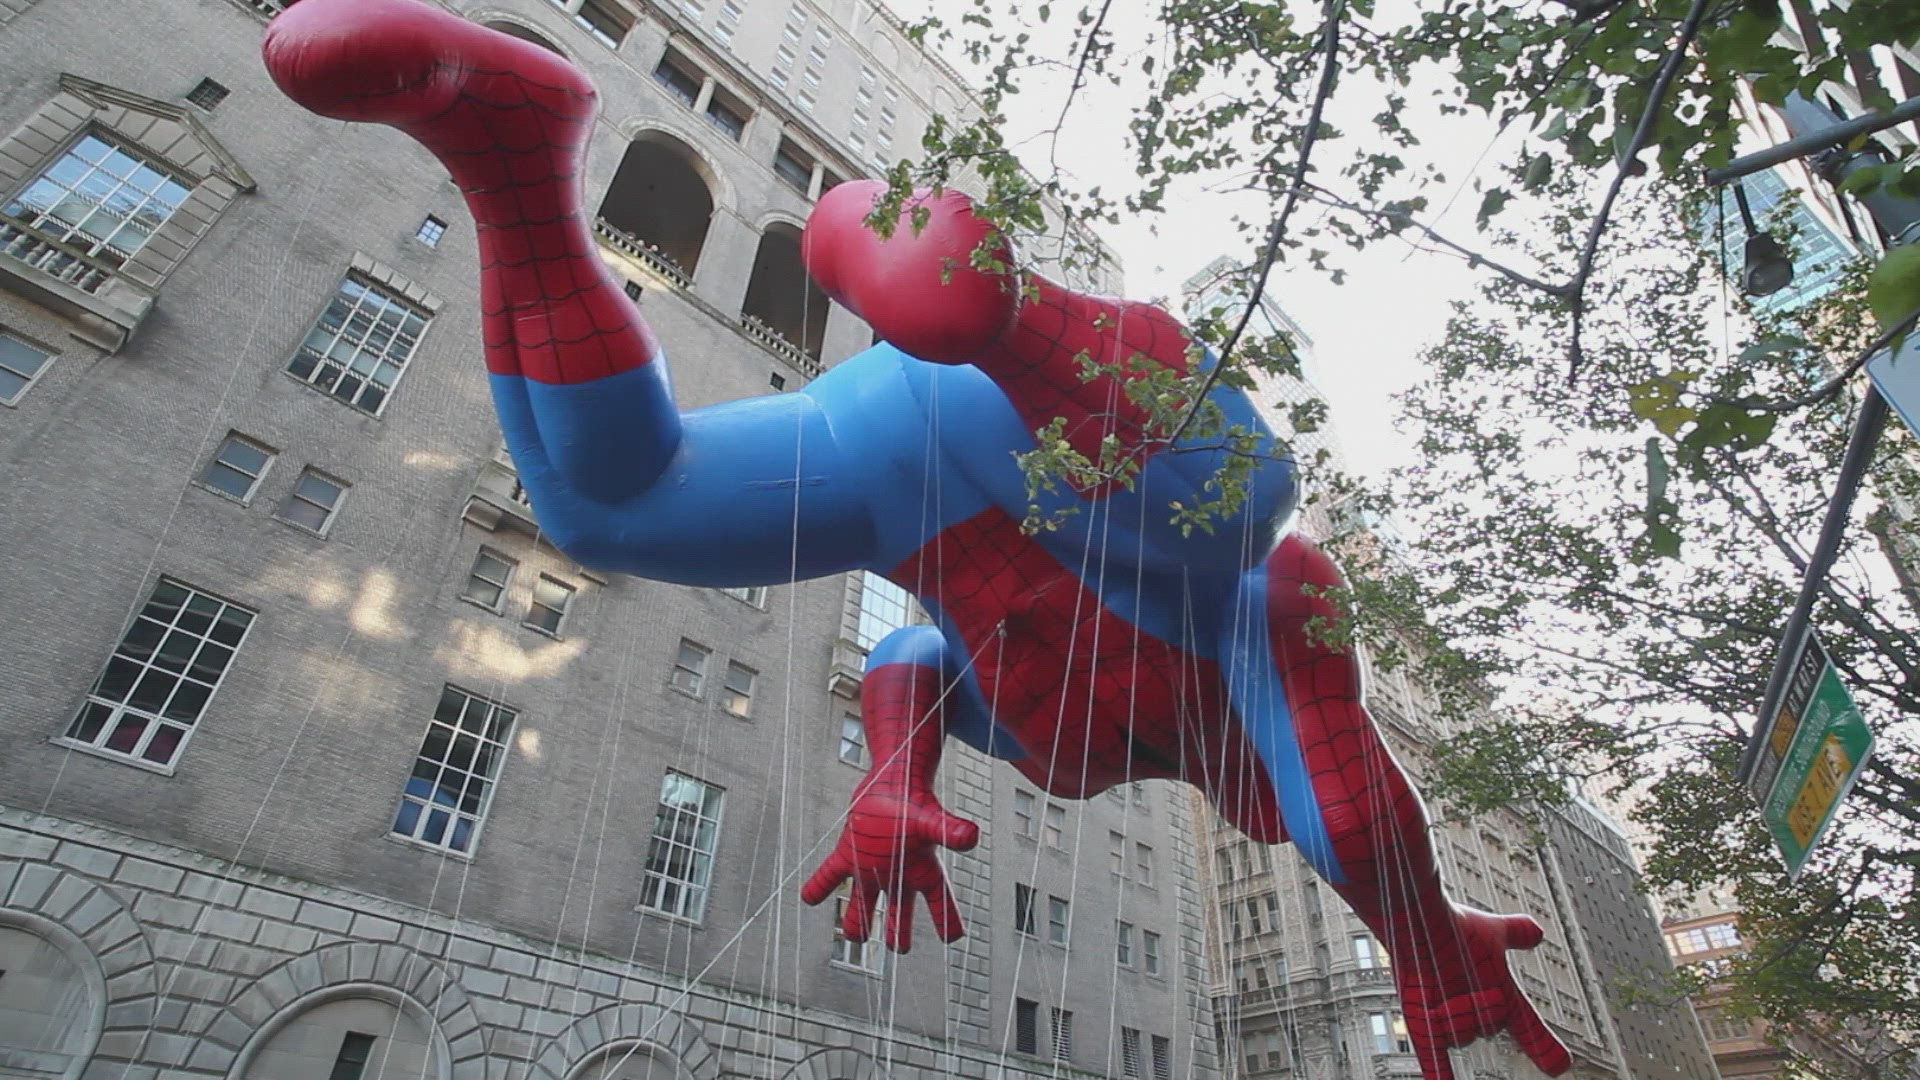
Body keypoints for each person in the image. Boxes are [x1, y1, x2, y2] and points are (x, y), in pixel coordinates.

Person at [262, 4, 1572, 1075]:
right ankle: (988, 306)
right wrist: (1426, 945)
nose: (1268, 823)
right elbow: (1352, 816)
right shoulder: (1266, 664)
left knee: (605, 504)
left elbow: (912, 662)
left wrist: (894, 780)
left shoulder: (1074, 752)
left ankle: (518, 158)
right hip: (1060, 422)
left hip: (899, 466)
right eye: (1269, 810)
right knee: (1245, 520)